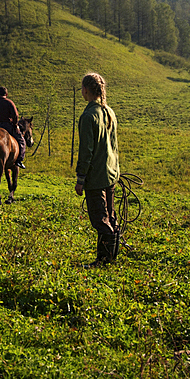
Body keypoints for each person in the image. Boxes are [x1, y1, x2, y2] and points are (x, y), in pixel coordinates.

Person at [75, 72, 120, 267]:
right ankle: (110, 256)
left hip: (96, 177)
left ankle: (104, 260)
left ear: (85, 90)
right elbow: (115, 146)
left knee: (100, 219)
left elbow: (86, 151)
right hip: (111, 173)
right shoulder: (109, 111)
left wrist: (80, 178)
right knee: (110, 215)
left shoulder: (88, 116)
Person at [0, 86, 26, 169]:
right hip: (7, 126)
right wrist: (15, 125)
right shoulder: (9, 102)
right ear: (6, 94)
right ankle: (19, 160)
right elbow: (16, 115)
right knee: (21, 140)